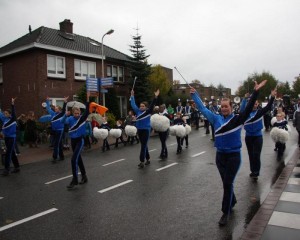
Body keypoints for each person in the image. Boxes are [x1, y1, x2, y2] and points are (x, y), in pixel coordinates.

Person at [190, 79, 267, 226]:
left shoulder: (238, 119)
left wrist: (256, 92)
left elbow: (250, 106)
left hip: (233, 156)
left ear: (231, 107)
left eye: (226, 106)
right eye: (222, 106)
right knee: (227, 183)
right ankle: (233, 199)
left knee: (227, 183)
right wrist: (195, 95)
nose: (224, 108)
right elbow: (203, 109)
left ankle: (226, 212)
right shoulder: (216, 118)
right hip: (220, 156)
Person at [240, 88, 277, 180]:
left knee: (256, 154)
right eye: (253, 103)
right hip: (248, 137)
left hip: (257, 137)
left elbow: (268, 106)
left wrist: (272, 97)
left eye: (256, 104)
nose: (254, 105)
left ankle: (256, 171)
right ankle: (252, 170)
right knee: (251, 155)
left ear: (258, 105)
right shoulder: (246, 113)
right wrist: (245, 99)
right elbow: (241, 110)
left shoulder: (260, 112)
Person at [62, 96, 90, 189]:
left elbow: (87, 111)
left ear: (80, 112)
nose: (77, 114)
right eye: (75, 113)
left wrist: (87, 100)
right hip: (73, 141)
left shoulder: (82, 118)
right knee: (79, 159)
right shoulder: (70, 119)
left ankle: (75, 180)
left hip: (80, 141)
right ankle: (84, 176)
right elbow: (63, 122)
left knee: (74, 159)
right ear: (73, 113)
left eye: (78, 113)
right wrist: (65, 114)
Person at [130, 89, 159, 168]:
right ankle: (148, 158)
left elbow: (152, 104)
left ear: (146, 107)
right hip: (139, 129)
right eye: (140, 106)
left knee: (143, 146)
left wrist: (155, 97)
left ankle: (142, 161)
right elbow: (133, 105)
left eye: (143, 106)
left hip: (146, 130)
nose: (141, 107)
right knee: (144, 145)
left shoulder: (148, 112)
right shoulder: (138, 111)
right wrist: (132, 96)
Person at [0, 97, 20, 176]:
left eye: (6, 113)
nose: (5, 114)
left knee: (8, 153)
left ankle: (6, 169)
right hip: (6, 138)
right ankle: (17, 167)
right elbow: (0, 114)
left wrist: (12, 104)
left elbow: (14, 113)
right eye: (4, 113)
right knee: (12, 153)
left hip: (11, 138)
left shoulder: (13, 119)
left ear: (10, 114)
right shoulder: (5, 119)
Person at [46, 97, 66, 163]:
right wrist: (47, 101)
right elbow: (48, 108)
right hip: (54, 131)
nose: (55, 110)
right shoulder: (53, 114)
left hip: (60, 131)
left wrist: (65, 102)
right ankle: (62, 156)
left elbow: (64, 111)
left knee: (56, 144)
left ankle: (55, 158)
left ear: (59, 110)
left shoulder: (61, 114)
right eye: (55, 109)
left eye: (57, 109)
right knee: (59, 144)